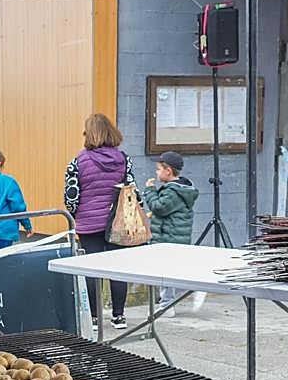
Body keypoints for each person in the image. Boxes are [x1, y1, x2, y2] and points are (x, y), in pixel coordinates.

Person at [64, 113, 135, 331]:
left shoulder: (78, 161)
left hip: (89, 224)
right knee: (118, 269)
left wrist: (77, 215)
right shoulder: (123, 158)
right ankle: (119, 316)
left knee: (92, 269)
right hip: (118, 222)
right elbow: (131, 189)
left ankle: (94, 318)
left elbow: (71, 196)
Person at [142, 150, 202, 315]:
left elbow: (159, 208)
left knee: (165, 272)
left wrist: (149, 190)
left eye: (158, 169)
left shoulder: (172, 191)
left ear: (168, 170)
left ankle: (167, 305)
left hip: (168, 238)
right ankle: (165, 302)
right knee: (166, 271)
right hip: (173, 237)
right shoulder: (180, 189)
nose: (156, 172)